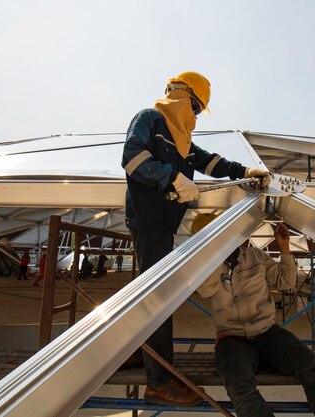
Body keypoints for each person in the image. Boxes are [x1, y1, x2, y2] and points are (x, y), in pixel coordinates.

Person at [121, 71, 270, 407]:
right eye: (197, 109)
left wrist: (244, 172)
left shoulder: (181, 139)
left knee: (153, 294)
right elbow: (131, 158)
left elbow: (209, 162)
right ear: (183, 97)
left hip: (162, 224)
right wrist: (172, 177)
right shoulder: (150, 119)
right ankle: (159, 381)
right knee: (159, 298)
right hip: (148, 221)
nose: (197, 118)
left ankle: (137, 353)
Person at [194, 215, 315, 417]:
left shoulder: (256, 256)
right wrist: (217, 257)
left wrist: (284, 249)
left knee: (311, 366)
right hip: (231, 339)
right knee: (239, 385)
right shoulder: (204, 268)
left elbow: (286, 283)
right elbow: (205, 289)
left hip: (267, 332)